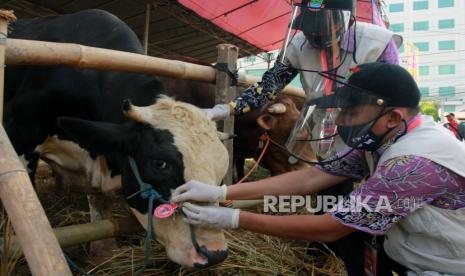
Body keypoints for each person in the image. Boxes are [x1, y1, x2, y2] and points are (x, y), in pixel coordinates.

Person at [173, 62, 465, 275]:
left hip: (444, 266)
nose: (342, 121)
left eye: (351, 112)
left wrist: (234, 218)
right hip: (412, 254)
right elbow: (313, 176)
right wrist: (222, 190)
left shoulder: (412, 164)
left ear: (392, 117)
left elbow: (330, 228)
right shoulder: (387, 138)